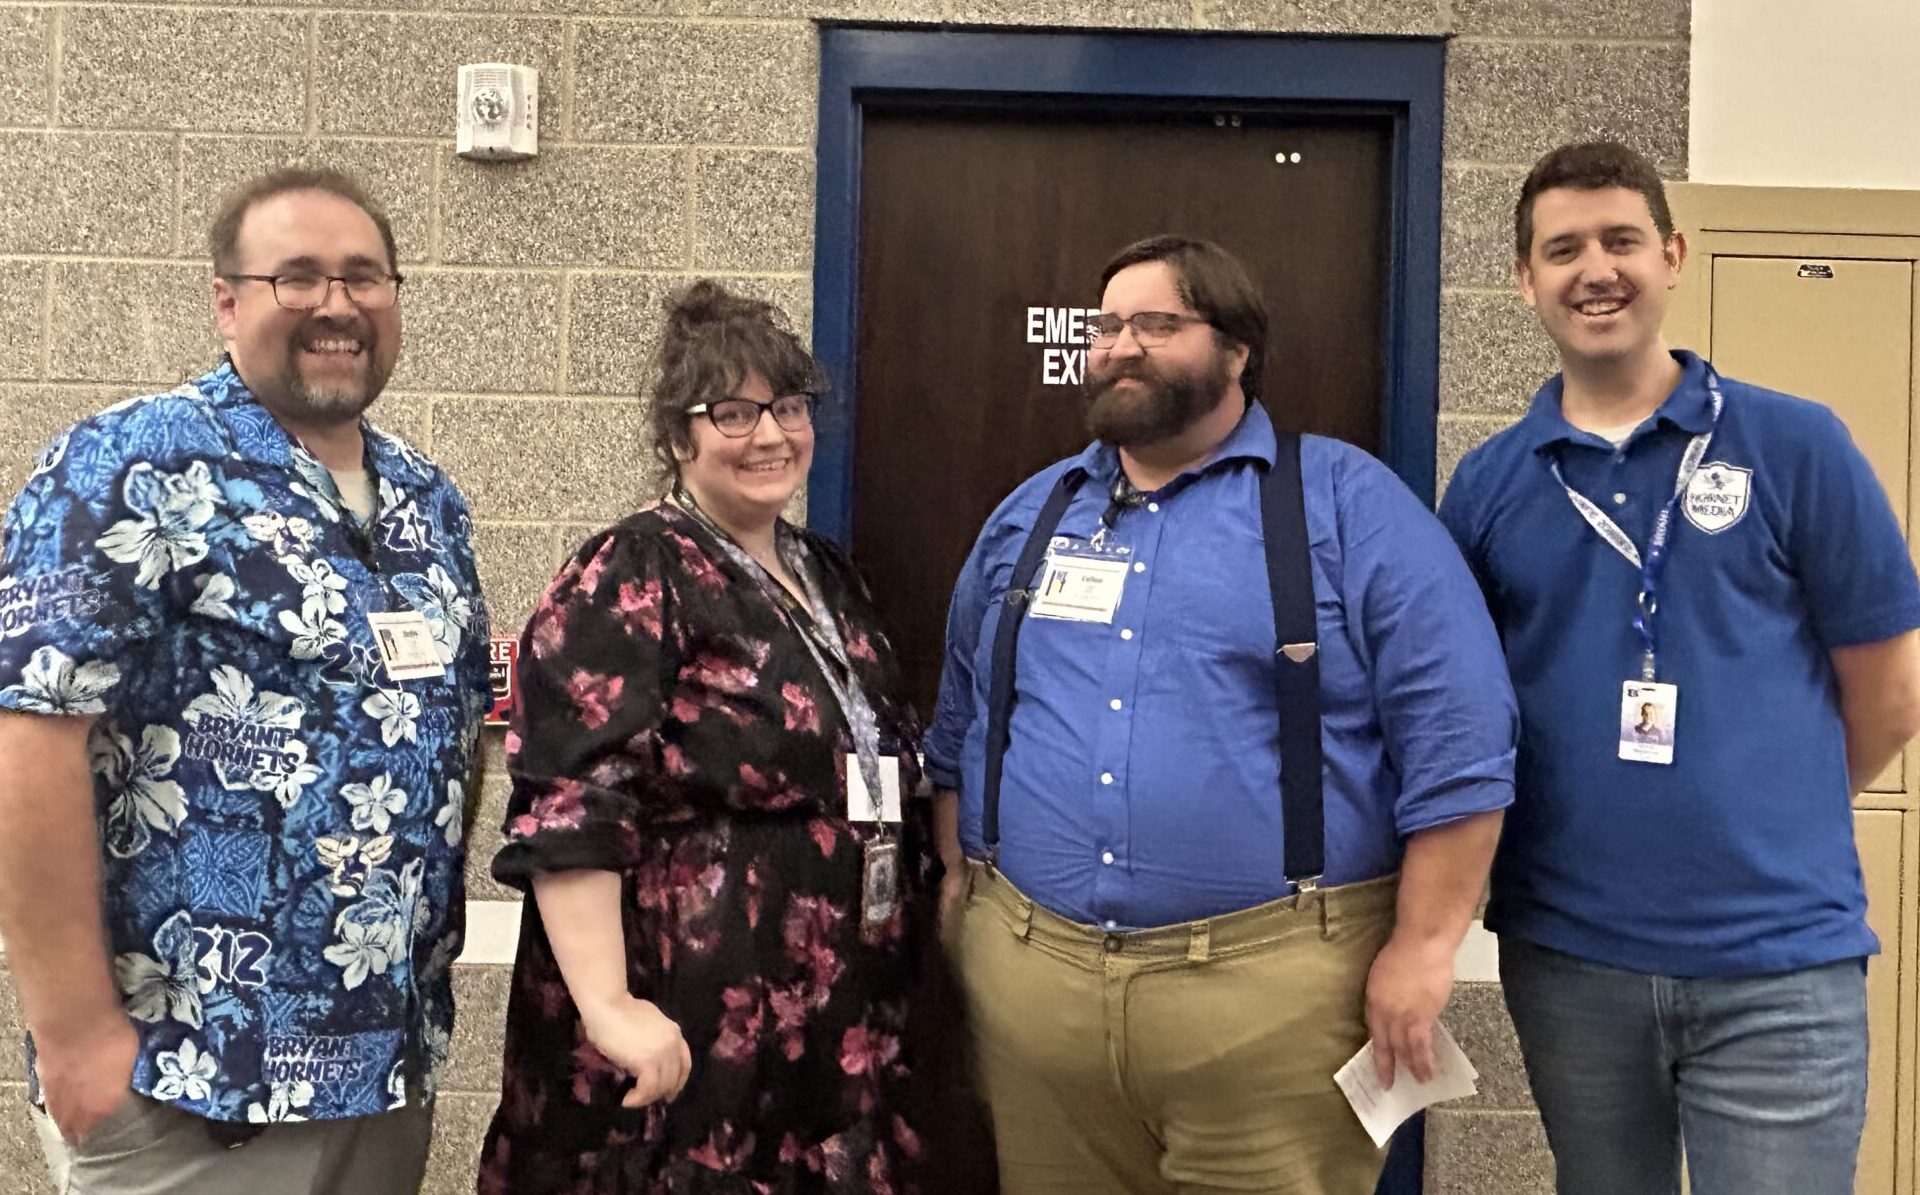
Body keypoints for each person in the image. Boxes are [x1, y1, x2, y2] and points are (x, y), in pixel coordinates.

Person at [925, 235, 1518, 1195]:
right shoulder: (1033, 514)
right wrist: (964, 886)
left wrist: (1422, 946)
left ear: (1237, 350)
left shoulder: (1348, 504)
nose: (1122, 345)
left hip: (1272, 1006)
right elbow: (961, 719)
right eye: (1107, 325)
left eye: (1158, 323)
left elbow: (1460, 743)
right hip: (1037, 999)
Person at [1439, 140, 1920, 1195]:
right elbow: (1460, 711)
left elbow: (1889, 693)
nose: (1595, 270)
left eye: (1621, 240)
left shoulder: (1796, 445)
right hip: (1572, 959)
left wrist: (1767, 808)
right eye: (1563, 249)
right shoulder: (1488, 484)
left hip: (1779, 964)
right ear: (1523, 279)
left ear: (1673, 254)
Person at [0, 167, 491, 1193]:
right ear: (226, 301)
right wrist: (75, 1029)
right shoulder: (129, 465)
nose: (337, 304)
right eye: (297, 276)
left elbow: (451, 734)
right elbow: (30, 736)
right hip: (192, 1082)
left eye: (364, 277)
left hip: (382, 1069)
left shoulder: (428, 502)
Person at [477, 281, 932, 1194]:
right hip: (687, 1007)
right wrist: (610, 1005)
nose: (770, 433)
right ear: (678, 436)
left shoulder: (825, 572)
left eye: (789, 406)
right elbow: (572, 807)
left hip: (823, 1009)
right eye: (733, 412)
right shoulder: (631, 571)